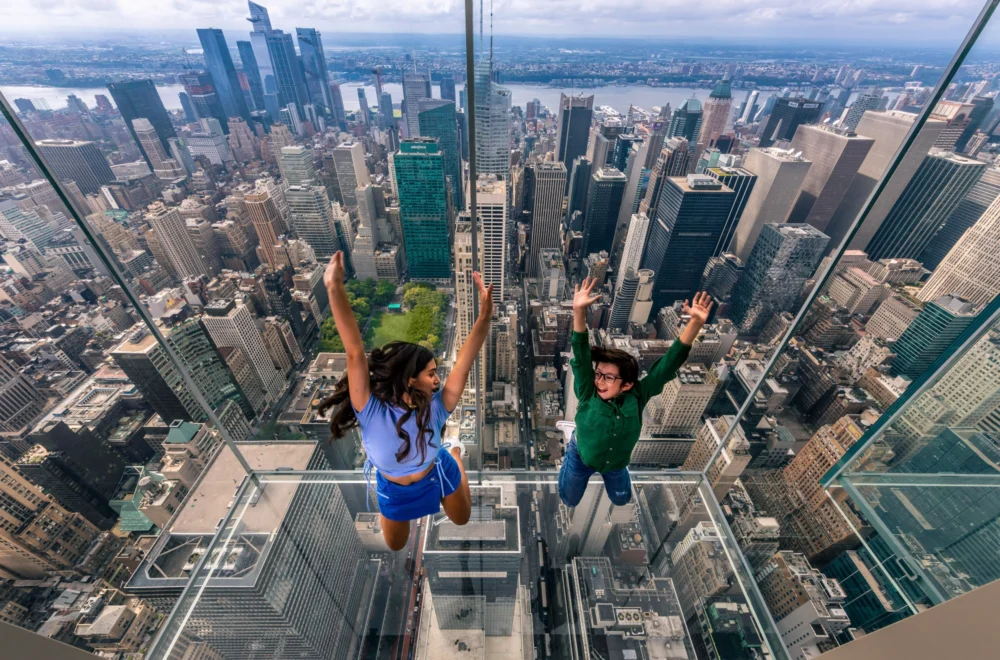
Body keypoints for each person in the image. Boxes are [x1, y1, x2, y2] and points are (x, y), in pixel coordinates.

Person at [319, 251, 494, 550]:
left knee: (462, 519)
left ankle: (454, 455)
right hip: (393, 487)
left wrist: (485, 316)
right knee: (396, 545)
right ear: (410, 377)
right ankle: (448, 454)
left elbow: (465, 362)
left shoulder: (437, 409)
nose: (438, 380)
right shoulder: (370, 410)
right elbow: (355, 352)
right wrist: (334, 288)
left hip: (435, 471)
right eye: (431, 374)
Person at [558, 277, 713, 508]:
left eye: (609, 377)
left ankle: (603, 458)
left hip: (617, 463)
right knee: (568, 500)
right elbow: (580, 358)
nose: (599, 381)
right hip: (581, 455)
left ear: (627, 384)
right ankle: (573, 437)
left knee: (621, 500)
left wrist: (695, 324)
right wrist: (579, 311)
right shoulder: (588, 391)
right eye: (598, 374)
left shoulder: (638, 394)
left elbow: (667, 366)